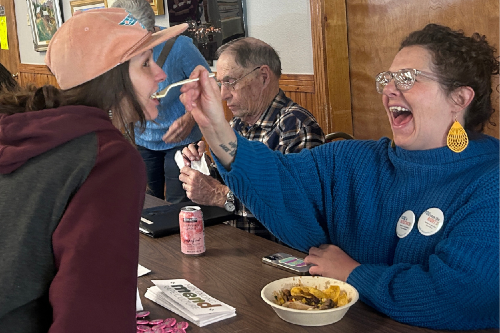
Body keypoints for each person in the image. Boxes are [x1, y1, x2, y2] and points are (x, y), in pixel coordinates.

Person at [179, 24, 499, 330]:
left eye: (407, 78)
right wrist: (218, 131)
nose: (388, 90)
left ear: (459, 98)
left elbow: (462, 294)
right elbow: (285, 183)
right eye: (386, 78)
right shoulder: (354, 160)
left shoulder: (490, 181)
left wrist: (354, 274)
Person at [0, 8, 186, 333]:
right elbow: (92, 315)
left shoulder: (23, 132)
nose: (161, 74)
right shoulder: (109, 156)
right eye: (145, 63)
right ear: (110, 79)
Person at [180, 37, 325, 241]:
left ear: (264, 77)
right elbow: (235, 183)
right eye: (220, 83)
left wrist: (220, 195)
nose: (223, 95)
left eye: (230, 82)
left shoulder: (295, 126)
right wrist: (201, 169)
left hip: (278, 252)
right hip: (235, 243)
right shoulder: (237, 125)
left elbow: (297, 209)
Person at [112, 0, 211, 204]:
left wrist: (191, 118)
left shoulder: (181, 46)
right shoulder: (118, 49)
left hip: (182, 142)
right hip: (141, 140)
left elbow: (210, 86)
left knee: (180, 208)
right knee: (145, 205)